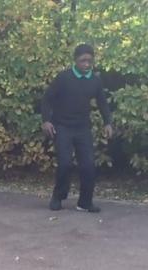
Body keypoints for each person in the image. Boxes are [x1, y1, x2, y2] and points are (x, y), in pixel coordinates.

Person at [41, 44, 113, 213]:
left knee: (88, 165)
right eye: (83, 61)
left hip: (82, 128)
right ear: (75, 60)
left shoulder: (95, 80)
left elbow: (102, 102)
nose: (86, 64)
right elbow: (46, 99)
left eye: (89, 60)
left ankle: (85, 202)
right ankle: (58, 197)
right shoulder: (64, 78)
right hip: (62, 126)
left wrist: (108, 122)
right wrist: (46, 121)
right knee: (65, 163)